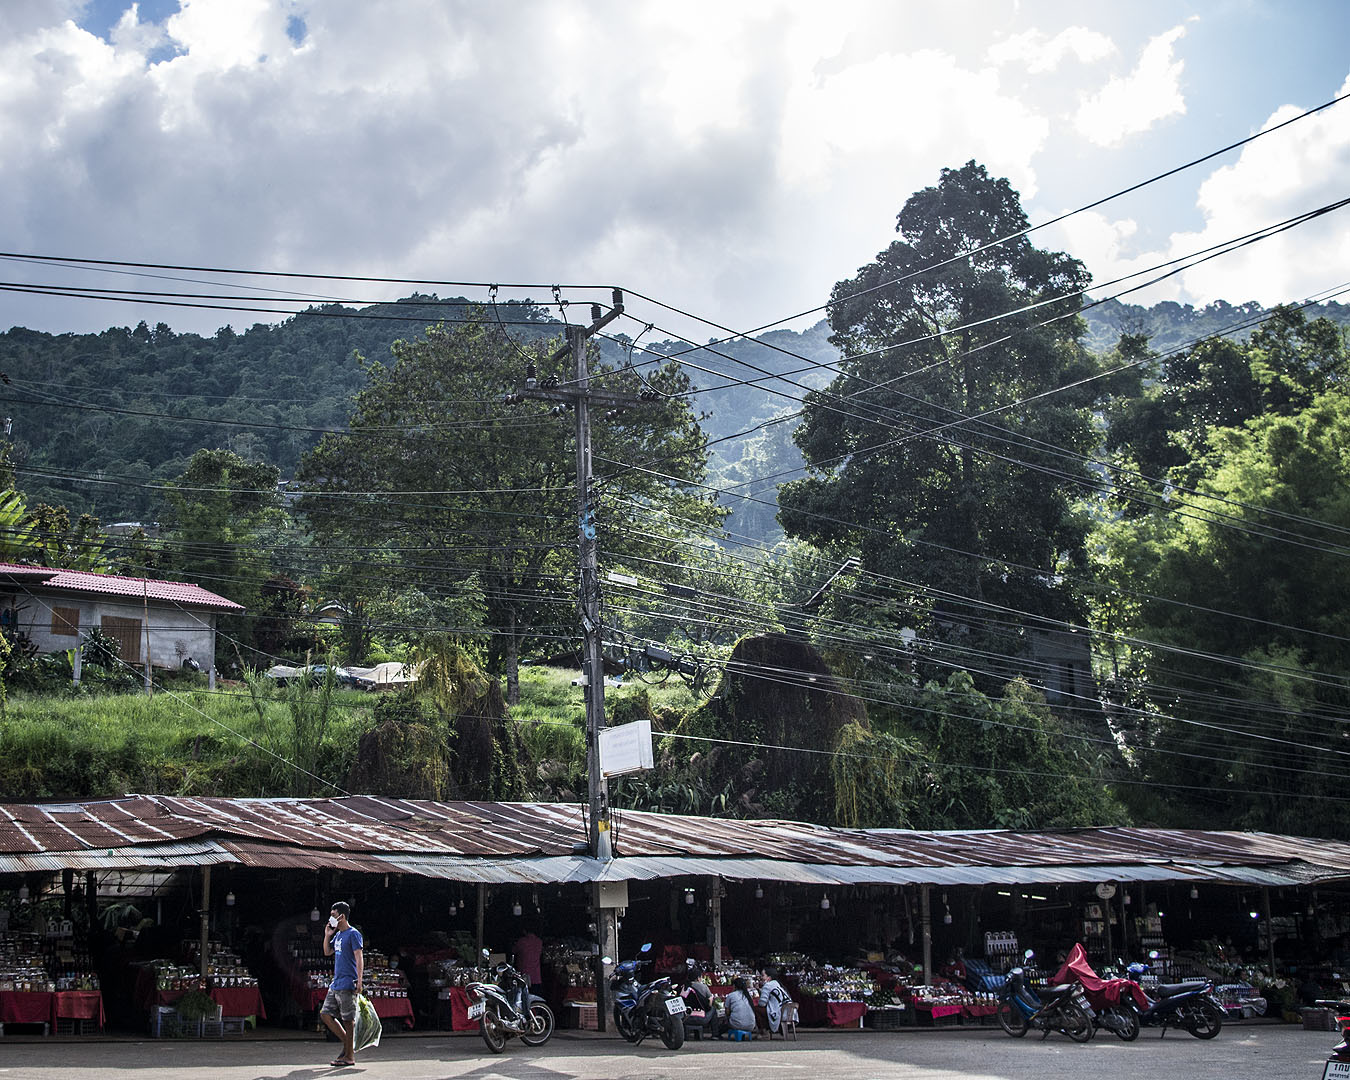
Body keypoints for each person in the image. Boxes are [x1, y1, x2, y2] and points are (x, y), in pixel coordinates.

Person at [320, 901, 364, 1068]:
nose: (331, 918)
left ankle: (349, 1055)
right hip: (336, 982)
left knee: (348, 1019)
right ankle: (348, 1046)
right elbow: (327, 952)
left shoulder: (353, 934)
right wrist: (327, 935)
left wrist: (359, 981)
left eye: (333, 915)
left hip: (347, 982)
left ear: (342, 916)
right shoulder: (338, 935)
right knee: (325, 1014)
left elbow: (359, 957)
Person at [758, 966, 792, 1035]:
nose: (760, 977)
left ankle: (764, 1031)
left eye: (763, 975)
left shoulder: (767, 985)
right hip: (787, 1012)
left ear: (769, 978)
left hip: (777, 1012)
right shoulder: (778, 985)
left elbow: (762, 1003)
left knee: (756, 1009)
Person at [724, 976, 756, 1040]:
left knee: (725, 1023)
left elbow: (727, 1012)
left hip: (737, 1024)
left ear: (734, 986)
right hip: (751, 1025)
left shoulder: (731, 995)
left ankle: (717, 1034)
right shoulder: (748, 996)